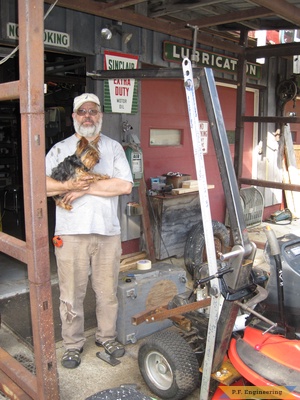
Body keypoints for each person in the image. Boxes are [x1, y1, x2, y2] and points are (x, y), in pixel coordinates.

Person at [45, 93, 133, 369]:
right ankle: (72, 344)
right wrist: (78, 185)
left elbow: (124, 186)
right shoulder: (59, 150)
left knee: (107, 292)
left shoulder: (114, 148)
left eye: (93, 111)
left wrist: (79, 186)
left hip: (107, 232)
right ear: (73, 117)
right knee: (71, 294)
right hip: (70, 234)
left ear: (100, 116)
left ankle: (106, 337)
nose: (87, 116)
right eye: (81, 111)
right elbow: (43, 187)